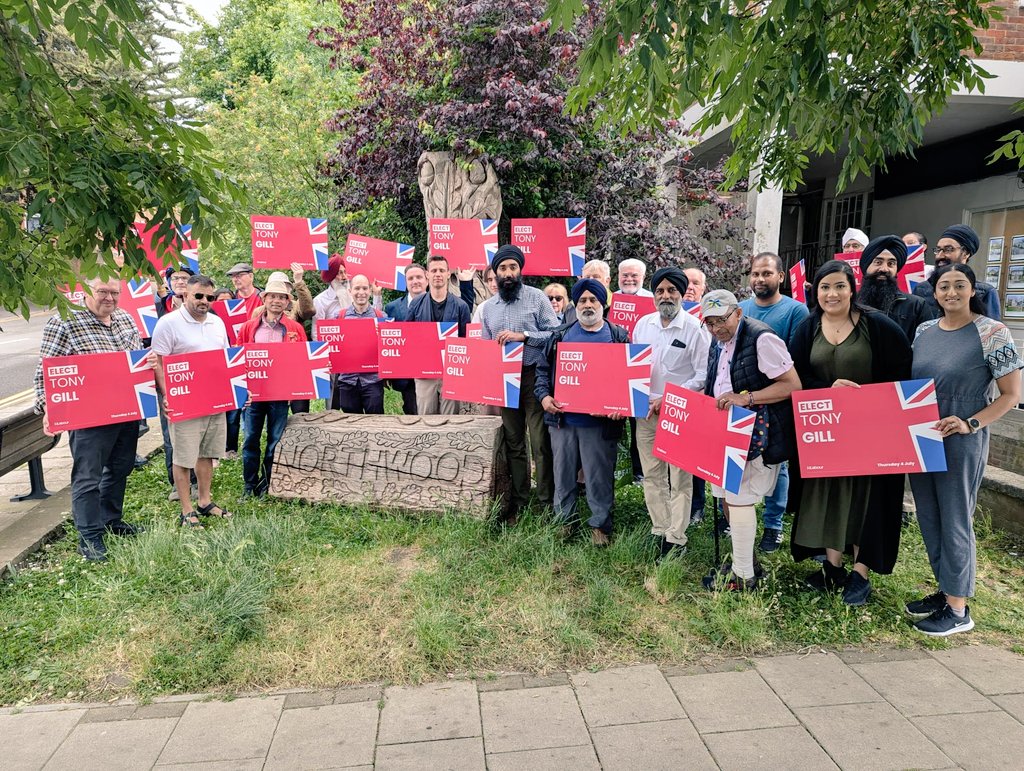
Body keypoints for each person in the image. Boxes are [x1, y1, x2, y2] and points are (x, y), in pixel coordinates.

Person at [906, 264, 1021, 635]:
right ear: (935, 293)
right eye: (944, 286)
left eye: (959, 285)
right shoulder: (924, 330)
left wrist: (971, 423)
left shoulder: (992, 332)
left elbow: (1011, 395)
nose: (951, 292)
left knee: (955, 517)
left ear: (973, 290)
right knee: (929, 514)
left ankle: (958, 609)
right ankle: (945, 589)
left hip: (961, 437)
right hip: (923, 433)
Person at [788, 260, 911, 606]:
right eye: (825, 287)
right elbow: (795, 377)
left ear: (852, 289)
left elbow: (903, 372)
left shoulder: (877, 325)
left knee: (865, 498)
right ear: (816, 291)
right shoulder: (808, 327)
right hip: (826, 432)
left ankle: (860, 573)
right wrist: (827, 389)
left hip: (871, 431)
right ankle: (832, 567)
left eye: (840, 286)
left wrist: (871, 400)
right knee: (830, 494)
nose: (832, 294)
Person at [34, 277, 147, 561]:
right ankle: (89, 536)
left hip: (126, 410)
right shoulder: (64, 322)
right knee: (88, 477)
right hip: (90, 417)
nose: (109, 298)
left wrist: (149, 362)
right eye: (102, 291)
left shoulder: (125, 318)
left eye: (114, 292)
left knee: (120, 468)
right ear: (86, 292)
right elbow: (45, 372)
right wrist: (48, 408)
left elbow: (135, 360)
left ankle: (111, 520)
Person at [699, 290, 801, 590]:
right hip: (725, 431)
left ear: (739, 313)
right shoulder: (718, 341)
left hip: (757, 433)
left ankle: (744, 577)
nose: (716, 328)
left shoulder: (762, 338)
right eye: (710, 323)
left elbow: (792, 385)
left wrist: (747, 398)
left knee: (740, 500)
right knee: (729, 498)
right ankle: (745, 561)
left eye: (722, 320)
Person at [535, 279, 626, 546]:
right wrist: (544, 397)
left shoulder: (618, 337)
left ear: (603, 304)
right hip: (563, 421)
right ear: (575, 305)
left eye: (593, 300)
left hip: (599, 425)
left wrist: (620, 407)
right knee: (563, 475)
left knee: (599, 477)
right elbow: (542, 371)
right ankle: (565, 522)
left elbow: (627, 380)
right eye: (583, 300)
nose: (588, 305)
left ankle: (600, 525)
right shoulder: (560, 335)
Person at [632, 266, 710, 560]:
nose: (665, 296)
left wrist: (669, 399)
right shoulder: (643, 325)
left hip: (679, 413)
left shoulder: (696, 328)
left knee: (680, 479)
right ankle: (660, 528)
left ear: (681, 293)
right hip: (646, 414)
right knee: (652, 475)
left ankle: (676, 537)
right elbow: (634, 367)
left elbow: (702, 375)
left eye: (671, 290)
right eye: (660, 291)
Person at [479, 244, 560, 517]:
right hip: (504, 381)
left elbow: (555, 334)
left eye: (513, 267)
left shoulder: (537, 298)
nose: (508, 273)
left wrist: (524, 336)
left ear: (520, 270)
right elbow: (485, 349)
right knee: (514, 442)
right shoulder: (488, 308)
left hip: (533, 377)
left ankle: (546, 503)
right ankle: (520, 500)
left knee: (539, 442)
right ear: (495, 273)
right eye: (503, 268)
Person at [738, 251, 810, 550]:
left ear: (780, 277)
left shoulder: (795, 311)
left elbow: (795, 359)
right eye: (755, 273)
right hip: (741, 402)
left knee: (775, 463)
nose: (760, 279)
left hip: (776, 399)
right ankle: (737, 517)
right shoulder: (740, 309)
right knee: (740, 460)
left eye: (767, 273)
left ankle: (773, 524)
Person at [151, 275, 234, 528]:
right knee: (184, 456)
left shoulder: (217, 323)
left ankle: (204, 501)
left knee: (207, 453)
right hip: (185, 401)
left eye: (209, 297)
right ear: (185, 294)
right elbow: (159, 362)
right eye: (198, 295)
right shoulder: (168, 323)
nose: (204, 301)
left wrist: (237, 390)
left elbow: (225, 359)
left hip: (214, 399)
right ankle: (187, 509)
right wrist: (167, 394)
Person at [235, 277, 308, 498]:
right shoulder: (248, 328)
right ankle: (249, 485)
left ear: (287, 302)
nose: (276, 301)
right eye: (272, 296)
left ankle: (267, 483)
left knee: (275, 440)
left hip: (280, 394)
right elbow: (237, 360)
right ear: (264, 299)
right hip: (254, 395)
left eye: (281, 297)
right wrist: (241, 390)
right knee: (250, 439)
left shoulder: (295, 328)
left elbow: (303, 360)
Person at [408, 255, 471, 414]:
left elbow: (466, 341)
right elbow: (408, 336)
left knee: (450, 420)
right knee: (425, 418)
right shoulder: (416, 304)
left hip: (450, 373)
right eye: (434, 270)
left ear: (448, 274)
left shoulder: (461, 306)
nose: (438, 274)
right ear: (427, 274)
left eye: (442, 270)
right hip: (424, 372)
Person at [858, 235, 936, 342]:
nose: (884, 269)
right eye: (878, 262)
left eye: (891, 264)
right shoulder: (851, 303)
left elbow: (927, 345)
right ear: (866, 266)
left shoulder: (916, 306)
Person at [913, 225, 1001, 320]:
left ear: (966, 253)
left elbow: (991, 328)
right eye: (938, 250)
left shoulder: (985, 292)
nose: (940, 256)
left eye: (948, 249)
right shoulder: (921, 289)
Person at [334, 274, 387, 414]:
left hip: (373, 381)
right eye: (357, 288)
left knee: (375, 421)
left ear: (370, 290)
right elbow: (333, 348)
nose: (361, 292)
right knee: (350, 422)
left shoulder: (381, 317)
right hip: (347, 380)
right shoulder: (340, 317)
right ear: (350, 291)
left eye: (364, 288)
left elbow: (387, 348)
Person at [384, 263, 428, 415]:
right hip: (406, 374)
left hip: (431, 370)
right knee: (411, 412)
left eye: (419, 277)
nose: (415, 281)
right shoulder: (392, 307)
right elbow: (387, 339)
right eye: (411, 278)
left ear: (426, 279)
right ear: (406, 282)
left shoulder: (438, 303)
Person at [314, 255, 383, 320]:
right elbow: (317, 328)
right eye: (340, 273)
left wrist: (377, 295)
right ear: (331, 278)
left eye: (345, 272)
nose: (345, 277)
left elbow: (374, 317)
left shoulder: (354, 294)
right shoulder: (320, 301)